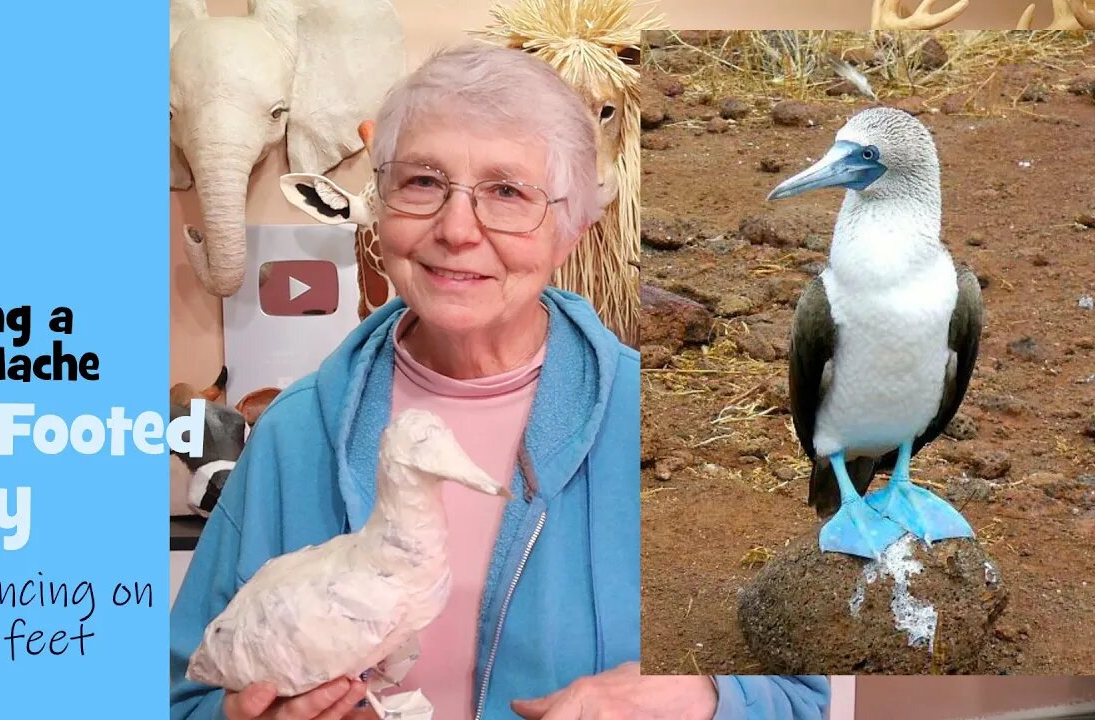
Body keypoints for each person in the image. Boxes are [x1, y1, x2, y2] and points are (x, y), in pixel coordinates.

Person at [170, 43, 829, 720]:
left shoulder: (673, 423)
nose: (457, 230)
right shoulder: (295, 434)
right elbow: (175, 695)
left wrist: (698, 694)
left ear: (569, 228)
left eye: (508, 192)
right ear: (382, 204)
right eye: (423, 182)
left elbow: (803, 698)